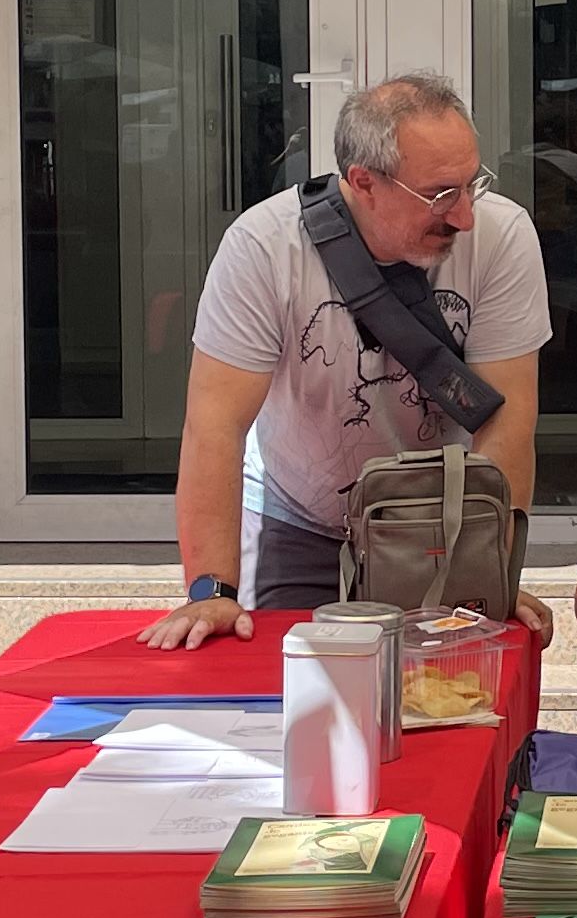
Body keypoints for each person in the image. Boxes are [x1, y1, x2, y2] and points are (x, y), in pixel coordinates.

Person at [145, 73, 549, 647]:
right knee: (297, 709)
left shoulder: (503, 236)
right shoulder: (263, 248)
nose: (465, 216)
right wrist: (212, 591)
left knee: (440, 703)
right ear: (363, 181)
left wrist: (492, 570)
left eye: (471, 185)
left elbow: (509, 421)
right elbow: (215, 425)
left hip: (444, 523)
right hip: (301, 521)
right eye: (440, 194)